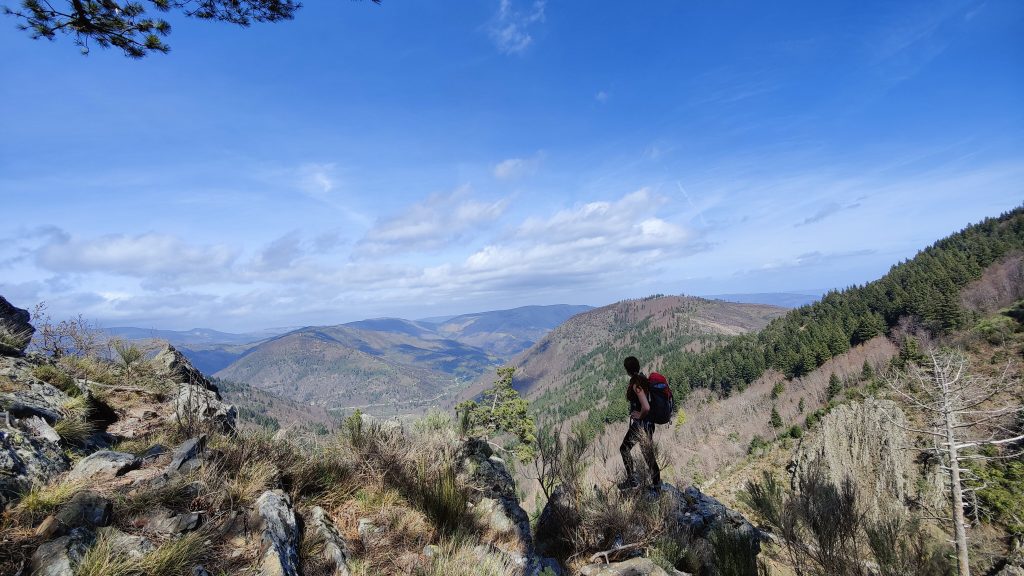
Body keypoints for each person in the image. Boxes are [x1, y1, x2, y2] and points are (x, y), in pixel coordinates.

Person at [619, 356, 661, 490]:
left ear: (627, 370)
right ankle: (657, 485)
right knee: (648, 455)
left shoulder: (637, 384)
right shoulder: (643, 378)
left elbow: (646, 406)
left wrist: (639, 415)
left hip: (641, 425)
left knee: (624, 449)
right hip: (649, 424)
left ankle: (632, 480)